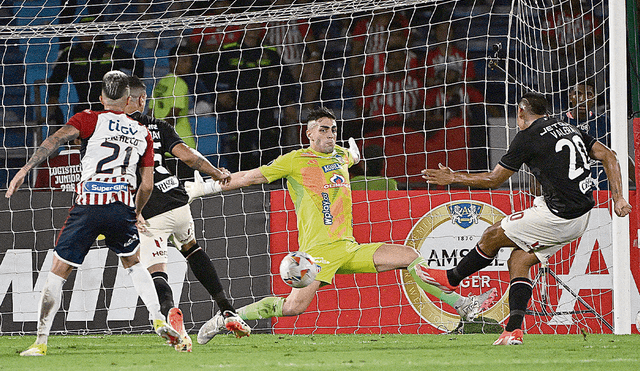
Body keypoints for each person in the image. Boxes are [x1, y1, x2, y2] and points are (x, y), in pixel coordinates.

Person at [186, 107, 497, 345]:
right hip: (318, 254)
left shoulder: (340, 156)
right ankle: (226, 318)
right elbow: (249, 177)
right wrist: (212, 186)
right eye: (323, 130)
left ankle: (463, 306)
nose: (330, 134)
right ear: (308, 134)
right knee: (293, 308)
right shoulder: (295, 160)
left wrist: (354, 153)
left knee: (410, 256)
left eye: (333, 129)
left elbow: (350, 156)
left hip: (349, 248)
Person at [420, 92, 632, 345]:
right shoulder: (568, 128)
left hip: (558, 215)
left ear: (521, 111)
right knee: (519, 259)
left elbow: (494, 179)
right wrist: (618, 198)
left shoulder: (527, 137)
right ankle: (513, 330)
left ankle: (451, 278)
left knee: (493, 234)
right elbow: (609, 155)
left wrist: (453, 178)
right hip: (581, 214)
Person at [7, 71, 181, 356]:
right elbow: (147, 184)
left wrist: (26, 169)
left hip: (89, 204)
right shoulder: (142, 132)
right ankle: (157, 317)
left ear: (101, 98)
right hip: (122, 206)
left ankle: (40, 342)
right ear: (128, 101)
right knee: (134, 263)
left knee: (58, 270)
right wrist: (135, 211)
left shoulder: (88, 118)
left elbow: (56, 140)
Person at [125, 75, 250, 352]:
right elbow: (188, 156)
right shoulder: (159, 126)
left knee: (157, 270)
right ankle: (227, 310)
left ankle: (171, 315)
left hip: (148, 208)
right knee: (192, 249)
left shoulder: (114, 130)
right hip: (177, 199)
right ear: (143, 100)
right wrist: (218, 173)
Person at [214, 23, 298, 171]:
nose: (253, 27)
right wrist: (221, 92)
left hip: (264, 105)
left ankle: (271, 178)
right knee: (239, 144)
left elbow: (288, 79)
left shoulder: (270, 51)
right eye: (250, 23)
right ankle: (236, 180)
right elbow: (216, 75)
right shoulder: (229, 50)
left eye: (257, 24)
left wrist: (289, 102)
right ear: (243, 26)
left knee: (269, 143)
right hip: (237, 106)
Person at [47, 16, 144, 131]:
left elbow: (138, 64)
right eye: (85, 31)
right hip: (84, 106)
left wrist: (133, 91)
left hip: (111, 107)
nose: (89, 35)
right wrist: (53, 97)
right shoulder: (71, 54)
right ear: (78, 34)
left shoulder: (111, 51)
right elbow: (56, 77)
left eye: (92, 31)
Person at [148, 44, 199, 179]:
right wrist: (163, 136)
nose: (188, 65)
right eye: (184, 61)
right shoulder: (180, 84)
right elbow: (173, 115)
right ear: (173, 62)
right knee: (187, 189)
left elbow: (150, 113)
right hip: (181, 144)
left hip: (163, 147)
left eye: (190, 61)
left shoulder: (161, 83)